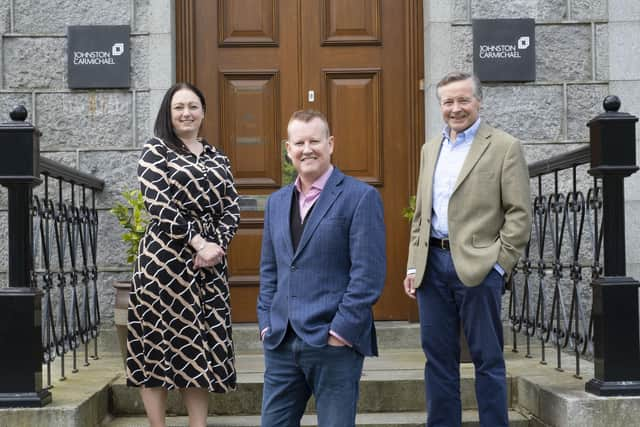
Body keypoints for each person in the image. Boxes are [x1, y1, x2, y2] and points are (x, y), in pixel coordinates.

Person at [403, 72, 532, 427]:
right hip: (433, 267)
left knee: (487, 360)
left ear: (478, 101)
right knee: (438, 361)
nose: (455, 108)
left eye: (463, 100)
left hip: (480, 267)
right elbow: (421, 214)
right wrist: (414, 265)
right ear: (440, 105)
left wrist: (500, 265)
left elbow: (519, 214)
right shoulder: (431, 149)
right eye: (448, 102)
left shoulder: (504, 147)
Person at [257, 109, 386, 427]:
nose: (306, 149)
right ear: (288, 148)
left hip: (333, 343)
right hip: (282, 342)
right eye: (299, 142)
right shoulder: (276, 202)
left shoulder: (360, 197)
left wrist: (341, 331)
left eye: (314, 141)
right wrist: (266, 322)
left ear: (330, 144)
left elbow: (367, 275)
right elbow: (270, 270)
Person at [126, 82, 240, 427]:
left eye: (193, 106)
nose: (186, 113)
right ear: (168, 113)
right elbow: (159, 203)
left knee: (198, 345)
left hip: (209, 266)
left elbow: (231, 206)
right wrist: (197, 241)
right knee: (156, 343)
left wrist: (215, 246)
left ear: (203, 112)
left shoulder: (218, 156)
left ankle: (198, 424)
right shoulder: (155, 150)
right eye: (179, 107)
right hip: (163, 263)